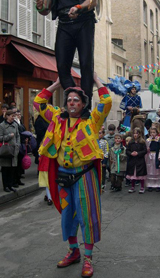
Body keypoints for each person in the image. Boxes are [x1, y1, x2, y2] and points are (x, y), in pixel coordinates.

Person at [33, 73, 112, 277]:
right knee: (68, 216)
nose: (71, 103)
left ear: (83, 104)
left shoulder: (92, 121)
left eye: (76, 100)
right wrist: (57, 84)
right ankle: (73, 251)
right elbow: (39, 102)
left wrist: (95, 78)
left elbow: (107, 101)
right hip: (63, 176)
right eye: (69, 100)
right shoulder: (58, 119)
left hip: (84, 176)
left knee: (88, 216)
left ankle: (88, 258)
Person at [36, 0, 97, 111]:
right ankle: (74, 96)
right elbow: (47, 9)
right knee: (62, 66)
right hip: (64, 24)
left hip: (83, 23)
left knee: (86, 64)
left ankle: (85, 105)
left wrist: (79, 7)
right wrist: (40, 7)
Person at [0, 110, 20, 192]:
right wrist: (9, 136)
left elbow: (18, 136)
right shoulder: (2, 125)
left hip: (14, 150)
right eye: (12, 116)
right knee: (5, 169)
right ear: (7, 116)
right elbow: (0, 137)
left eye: (14, 116)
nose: (13, 118)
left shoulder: (15, 125)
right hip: (6, 150)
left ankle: (10, 185)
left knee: (12, 169)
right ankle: (6, 186)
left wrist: (18, 144)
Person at [126, 127, 147, 194]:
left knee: (141, 174)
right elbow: (127, 150)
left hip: (140, 160)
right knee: (133, 174)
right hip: (132, 160)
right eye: (134, 133)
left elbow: (145, 151)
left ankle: (142, 187)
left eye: (137, 133)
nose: (135, 135)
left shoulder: (142, 142)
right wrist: (131, 153)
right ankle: (132, 186)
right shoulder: (131, 142)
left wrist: (138, 153)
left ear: (139, 134)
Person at [145, 127, 160, 192]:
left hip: (156, 155)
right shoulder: (148, 140)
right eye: (151, 132)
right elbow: (146, 147)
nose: (152, 134)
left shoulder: (159, 139)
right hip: (150, 155)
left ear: (157, 133)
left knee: (157, 170)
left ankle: (158, 184)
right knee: (150, 170)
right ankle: (150, 184)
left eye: (154, 132)